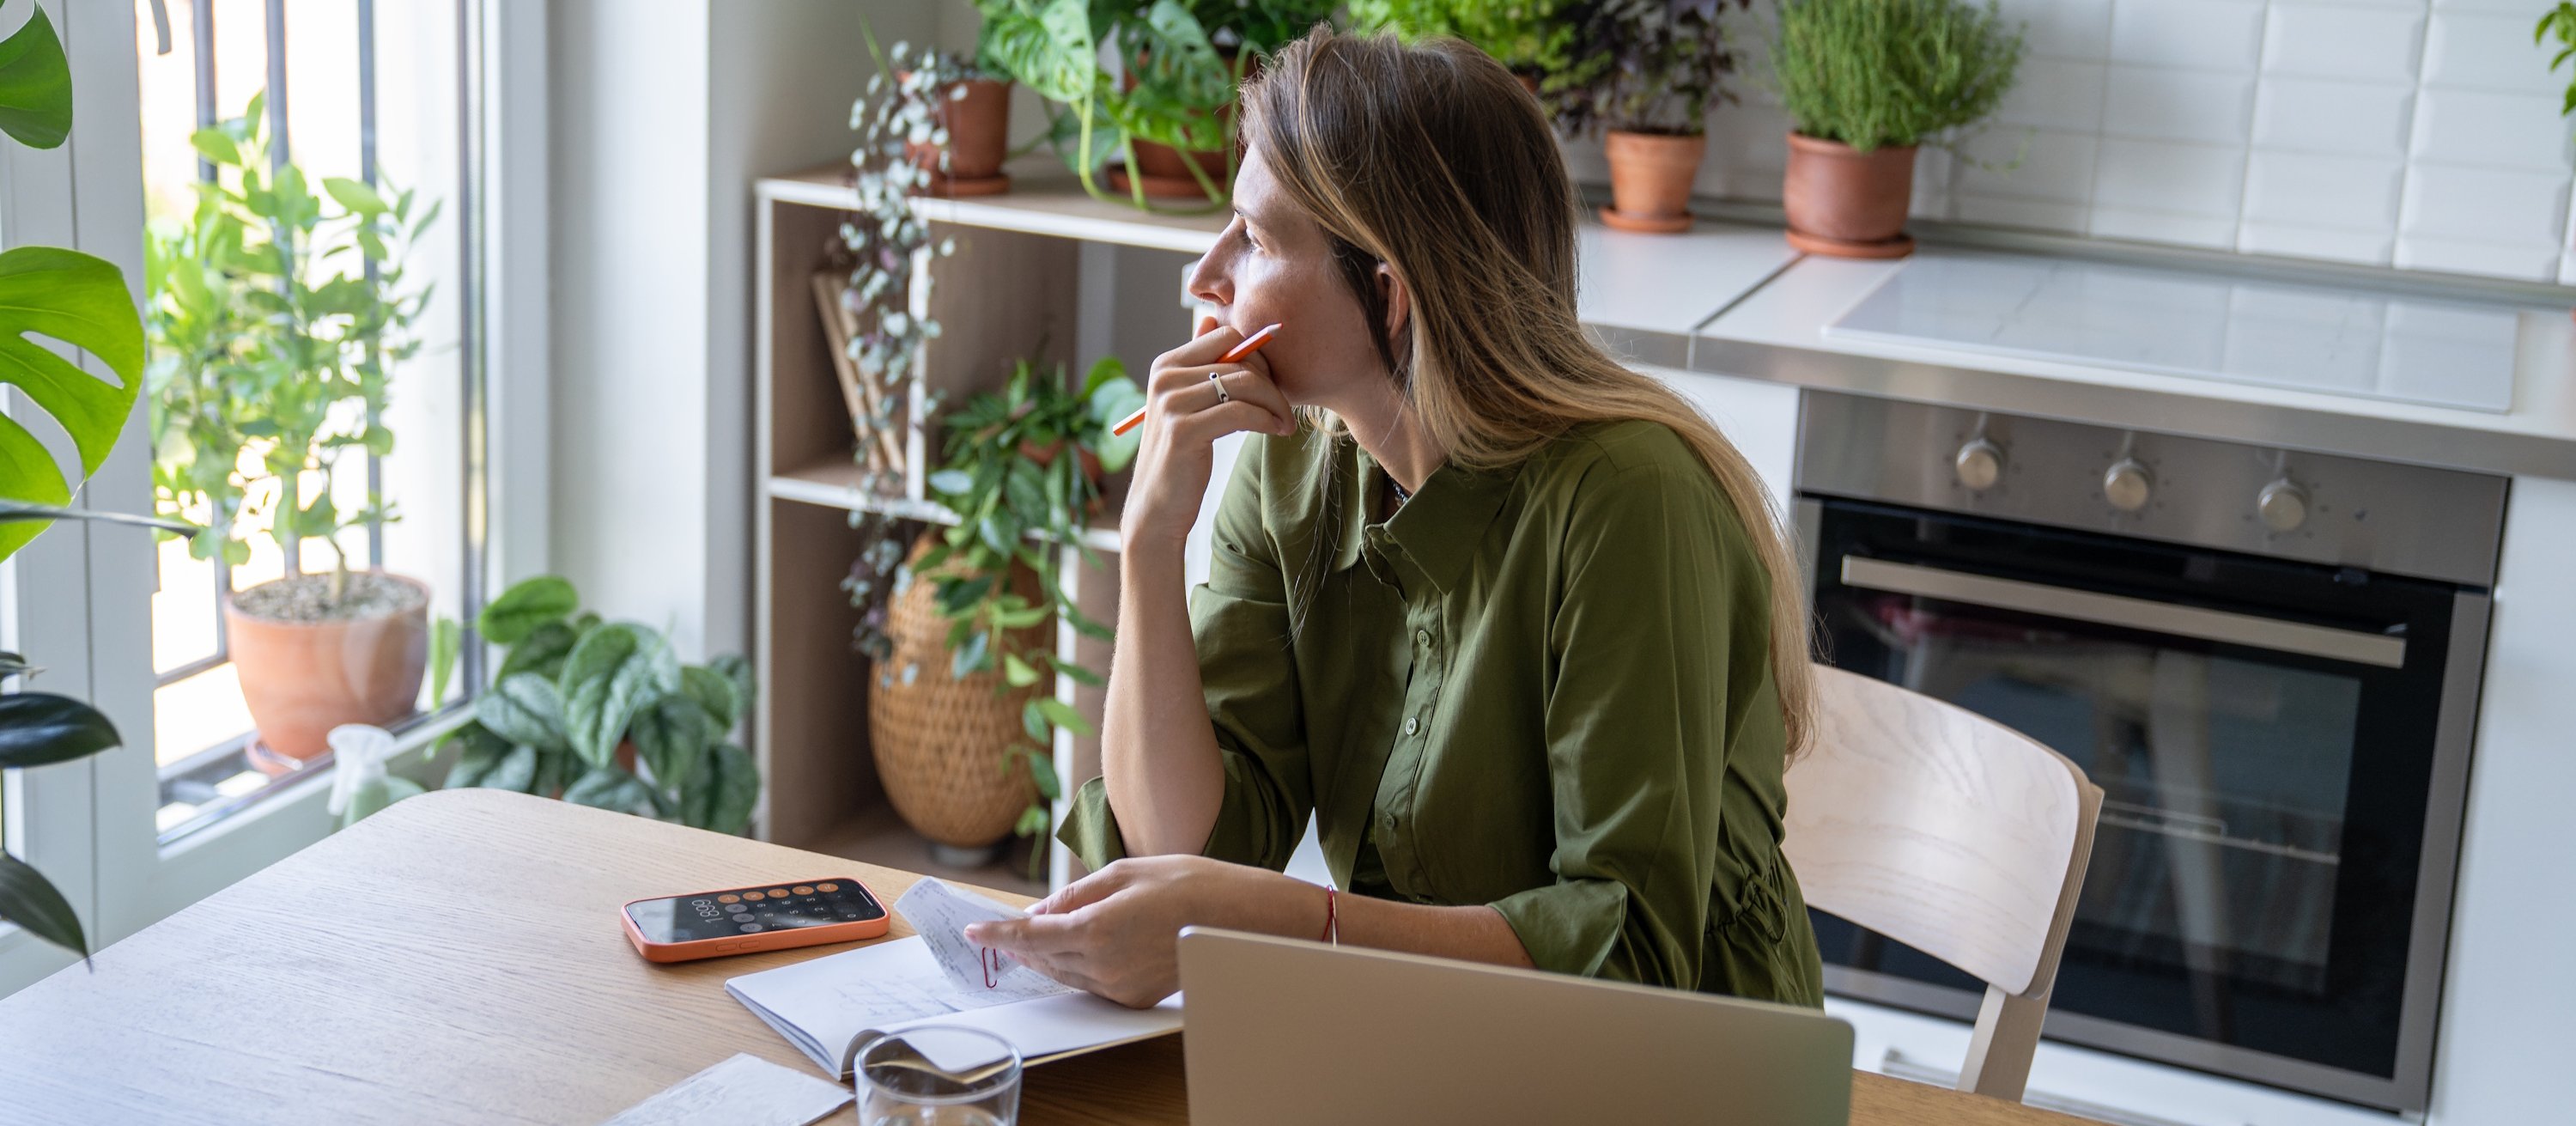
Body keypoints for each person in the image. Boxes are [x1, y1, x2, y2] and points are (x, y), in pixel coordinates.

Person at [963, 27, 1825, 1010]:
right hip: (1418, 1034)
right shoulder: (1292, 459)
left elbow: (1628, 957)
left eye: (1252, 238)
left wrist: (1287, 922)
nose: (1202, 279)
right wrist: (1150, 545)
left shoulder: (1631, 501)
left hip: (1682, 1074)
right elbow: (1183, 852)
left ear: (1388, 297)